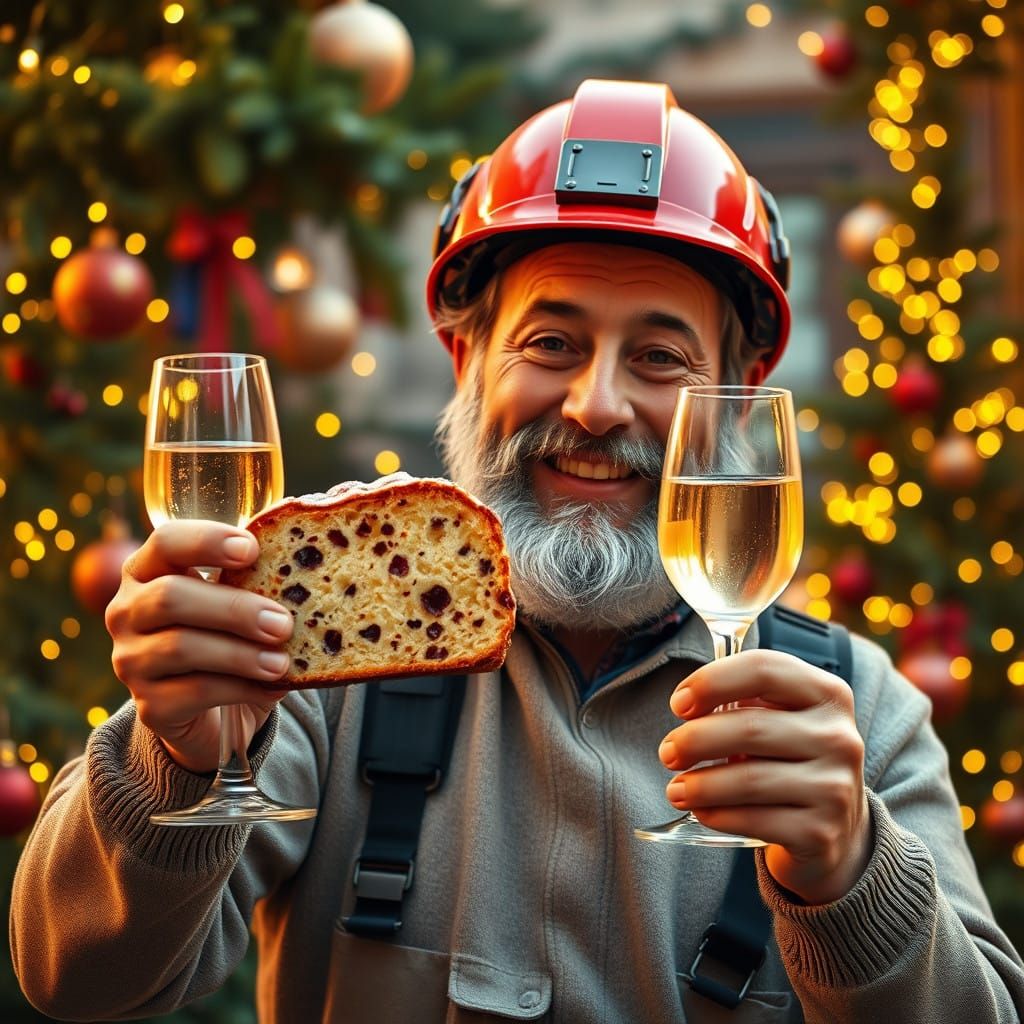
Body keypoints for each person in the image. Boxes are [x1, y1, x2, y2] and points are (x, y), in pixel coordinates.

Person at [10, 79, 1024, 1024]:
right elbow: (77, 979)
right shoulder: (307, 649)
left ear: (739, 398)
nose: (595, 405)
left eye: (661, 359)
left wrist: (850, 871)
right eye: (551, 344)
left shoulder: (854, 710)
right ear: (466, 356)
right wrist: (176, 757)